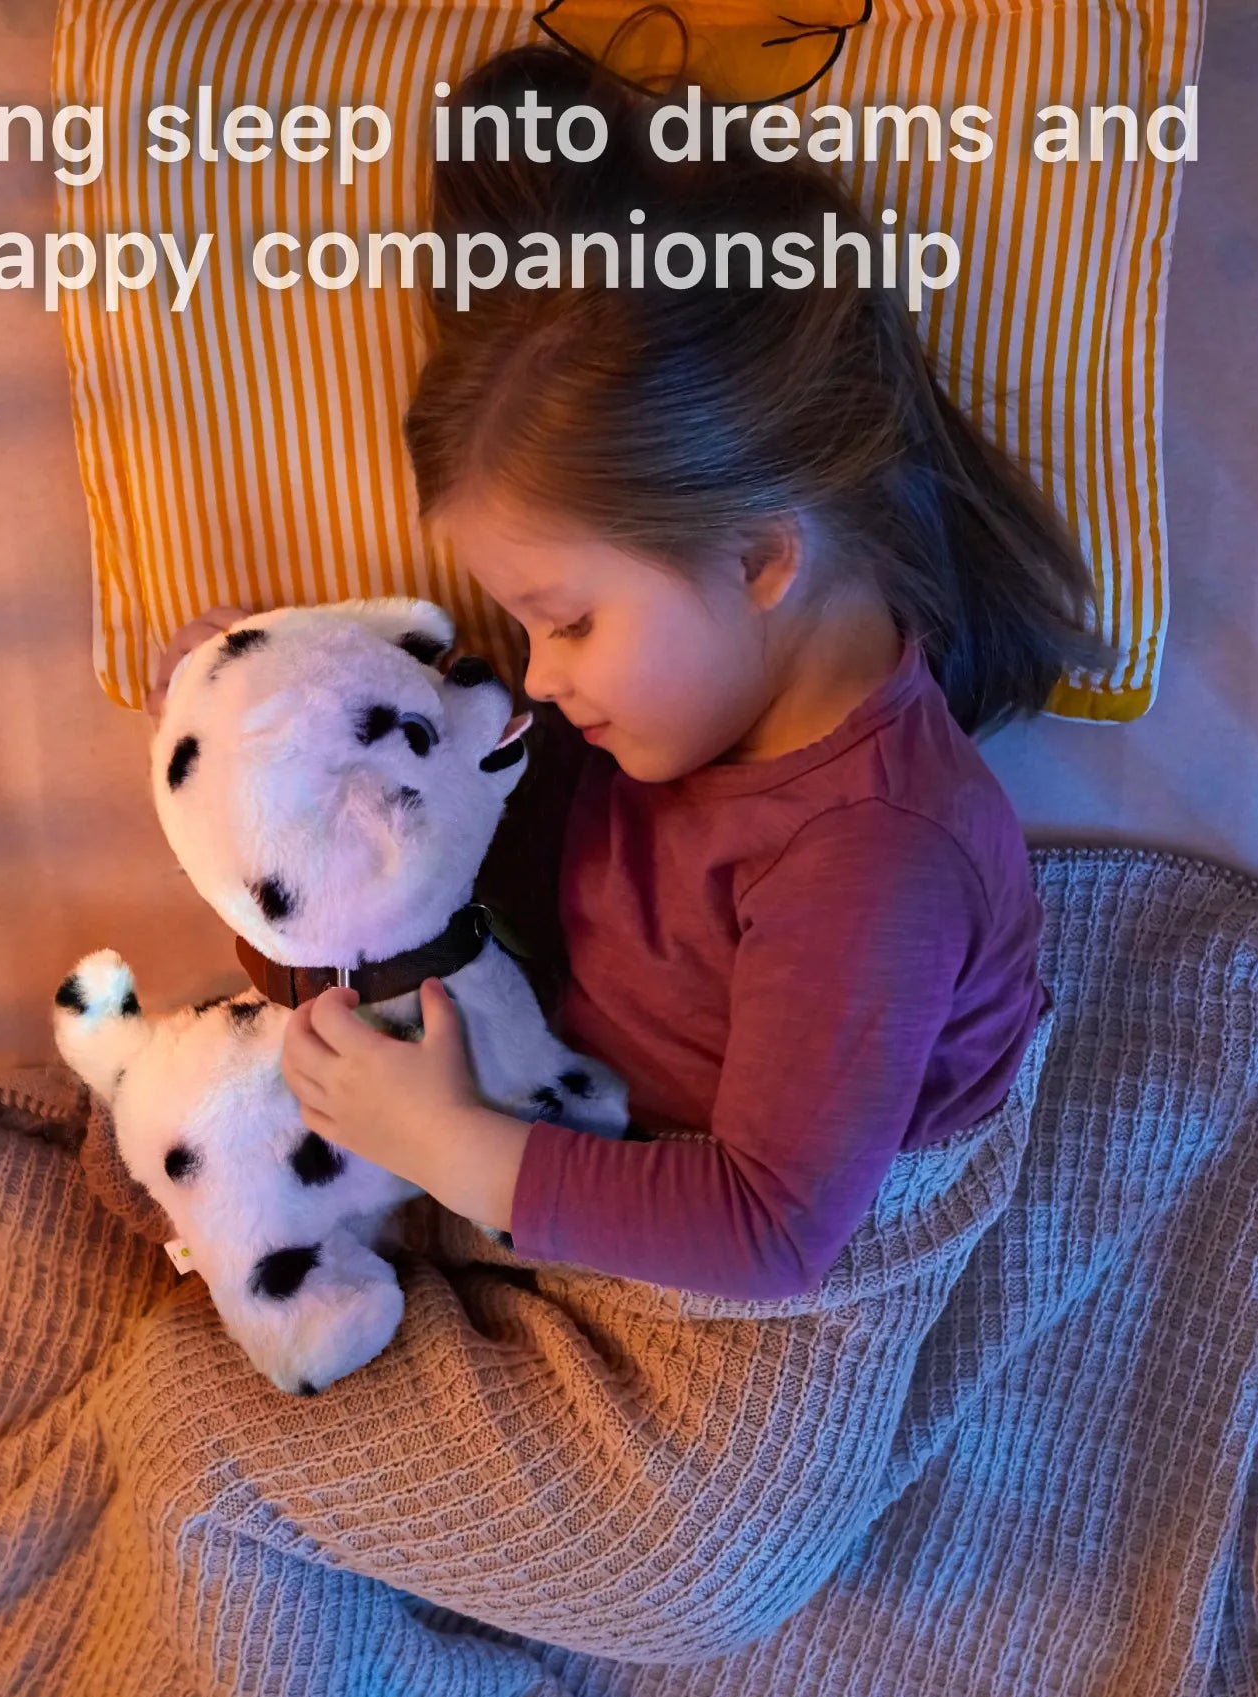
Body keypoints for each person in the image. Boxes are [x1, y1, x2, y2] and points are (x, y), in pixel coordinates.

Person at [272, 41, 1111, 1304]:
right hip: (580, 1142)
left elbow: (771, 1233)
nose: (538, 678)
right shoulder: (685, 703)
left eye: (566, 622)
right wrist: (269, 704)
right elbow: (474, 857)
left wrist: (446, 1146)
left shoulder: (871, 855)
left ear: (760, 557)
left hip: (771, 1307)